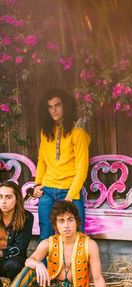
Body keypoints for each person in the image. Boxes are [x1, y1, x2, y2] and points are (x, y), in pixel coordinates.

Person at [33, 88, 91, 241]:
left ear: (65, 105)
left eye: (57, 105)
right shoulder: (46, 131)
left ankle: (75, 266)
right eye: (50, 107)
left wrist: (70, 196)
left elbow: (82, 169)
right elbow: (42, 160)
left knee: (76, 237)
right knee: (46, 235)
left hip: (69, 191)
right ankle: (44, 266)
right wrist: (37, 184)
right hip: (47, 191)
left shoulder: (78, 132)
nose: (54, 110)